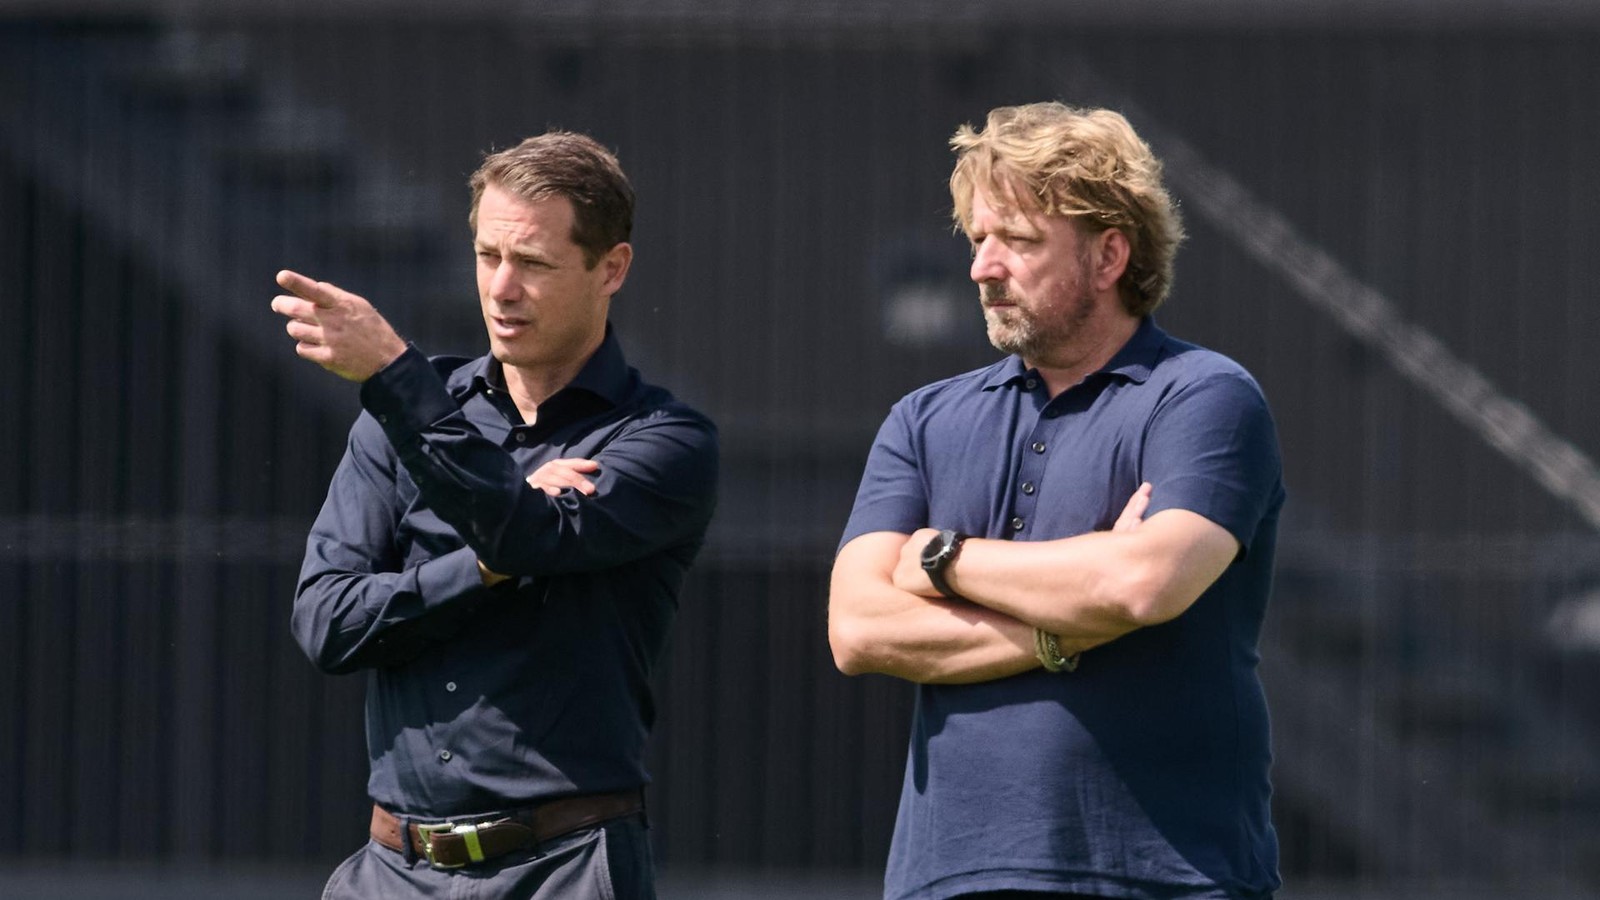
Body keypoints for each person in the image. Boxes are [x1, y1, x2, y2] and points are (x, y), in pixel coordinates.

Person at [828, 102, 1285, 900]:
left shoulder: (1205, 395)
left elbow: (1142, 584)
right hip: (951, 877)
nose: (983, 267)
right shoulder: (923, 419)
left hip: (1168, 878)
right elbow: (858, 628)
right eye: (978, 239)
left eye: (1019, 240)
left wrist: (940, 557)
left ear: (1109, 255)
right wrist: (1069, 622)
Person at [270, 131, 718, 899]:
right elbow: (325, 624)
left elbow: (526, 535)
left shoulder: (664, 441)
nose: (502, 288)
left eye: (533, 263)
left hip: (563, 868)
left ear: (611, 268)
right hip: (390, 870)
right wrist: (478, 567)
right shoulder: (397, 424)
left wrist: (395, 375)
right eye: (487, 256)